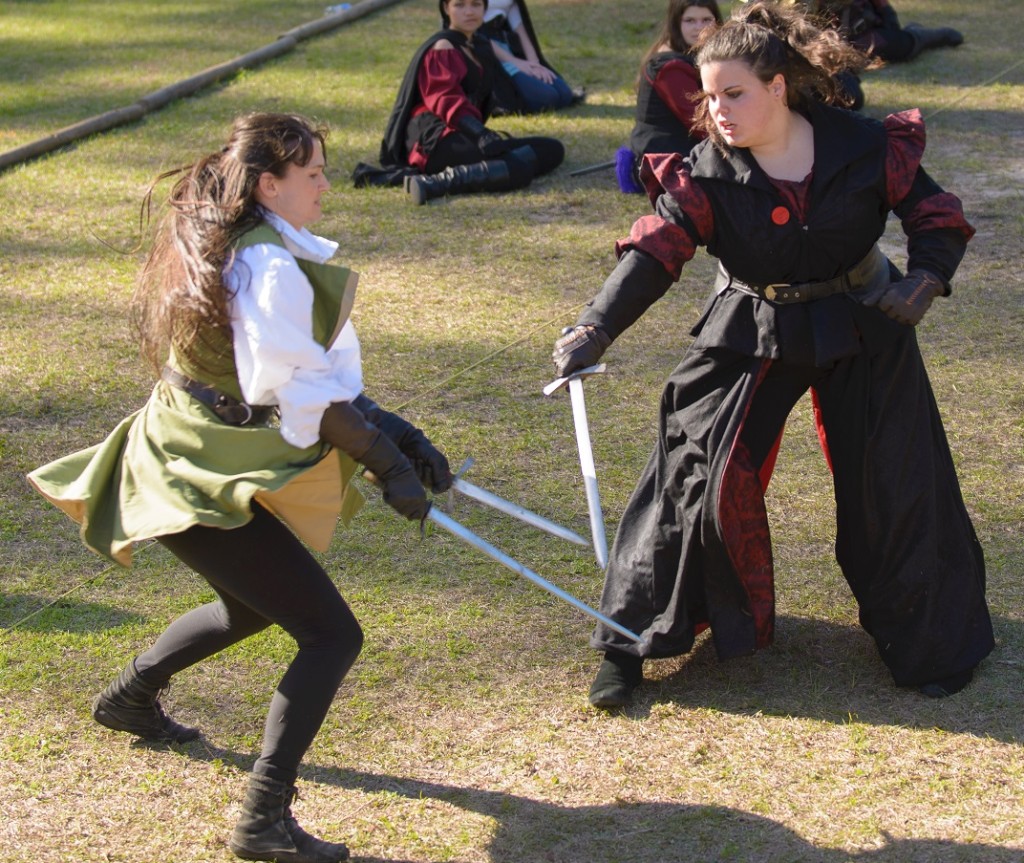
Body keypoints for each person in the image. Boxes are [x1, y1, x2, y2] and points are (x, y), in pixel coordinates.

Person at [28, 112, 453, 862]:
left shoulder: (255, 244)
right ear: (268, 183)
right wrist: (384, 459)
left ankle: (130, 696)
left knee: (256, 609)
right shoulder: (266, 264)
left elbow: (301, 378)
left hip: (189, 458)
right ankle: (260, 821)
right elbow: (288, 383)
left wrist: (398, 433)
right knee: (331, 635)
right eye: (312, 172)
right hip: (186, 473)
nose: (325, 183)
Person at [550, 1, 993, 710]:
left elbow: (936, 217)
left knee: (898, 482)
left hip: (862, 323)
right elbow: (656, 252)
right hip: (751, 323)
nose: (718, 111)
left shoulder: (864, 145)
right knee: (692, 470)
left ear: (778, 87)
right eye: (709, 96)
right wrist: (593, 329)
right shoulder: (704, 171)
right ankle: (627, 642)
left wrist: (924, 277)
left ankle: (930, 639)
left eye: (735, 94)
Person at [373, 0, 565, 205]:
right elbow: (445, 99)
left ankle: (489, 166)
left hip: (464, 133)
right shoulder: (443, 47)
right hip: (435, 139)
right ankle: (432, 184)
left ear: (485, 8)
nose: (469, 12)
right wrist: (480, 133)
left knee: (551, 149)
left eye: (476, 4)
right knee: (518, 168)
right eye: (460, 5)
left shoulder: (478, 44)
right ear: (446, 9)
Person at [616, 0, 723, 194]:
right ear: (676, 23)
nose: (699, 28)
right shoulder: (670, 67)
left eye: (706, 19)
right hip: (662, 164)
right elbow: (702, 124)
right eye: (690, 20)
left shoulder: (701, 56)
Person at [479, 0, 580, 115]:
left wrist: (534, 63)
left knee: (564, 95)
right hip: (488, 56)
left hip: (507, 48)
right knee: (547, 98)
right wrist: (515, 62)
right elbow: (476, 35)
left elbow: (519, 27)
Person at [812, 0, 963, 63]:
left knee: (902, 43)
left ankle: (921, 35)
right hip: (819, 41)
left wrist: (886, 13)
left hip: (859, 32)